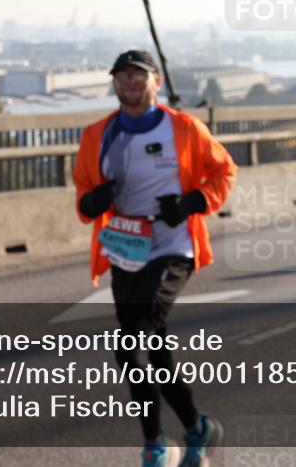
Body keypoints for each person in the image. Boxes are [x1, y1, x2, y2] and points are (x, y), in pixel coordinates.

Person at [73, 50, 237, 467]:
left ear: (156, 82)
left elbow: (224, 172)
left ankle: (156, 448)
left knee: (142, 328)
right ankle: (195, 429)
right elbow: (83, 198)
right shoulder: (97, 135)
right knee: (140, 347)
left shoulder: (183, 128)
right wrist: (95, 199)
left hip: (173, 243)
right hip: (125, 245)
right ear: (114, 83)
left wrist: (189, 204)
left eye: (138, 75)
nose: (129, 81)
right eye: (122, 75)